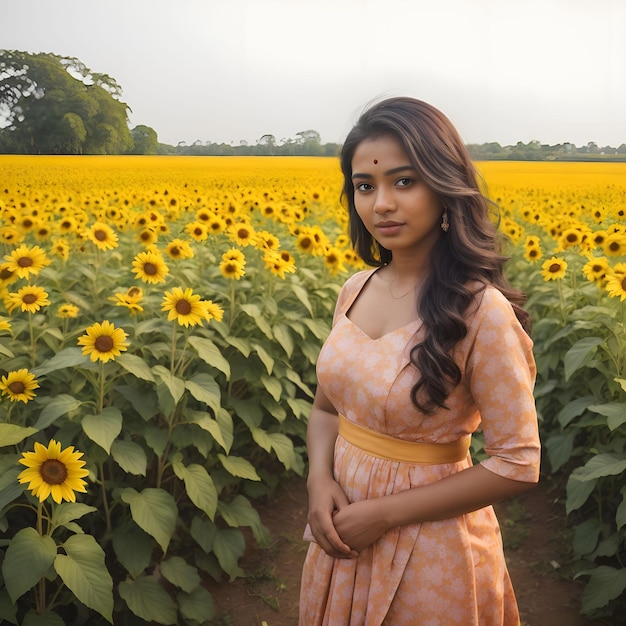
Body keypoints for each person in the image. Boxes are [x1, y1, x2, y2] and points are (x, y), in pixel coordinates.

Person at [299, 97, 541, 625]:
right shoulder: (354, 290)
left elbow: (518, 462)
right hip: (340, 531)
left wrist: (384, 514)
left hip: (431, 548)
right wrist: (319, 480)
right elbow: (325, 411)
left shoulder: (481, 311)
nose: (381, 203)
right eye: (365, 186)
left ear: (444, 186)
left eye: (404, 182)